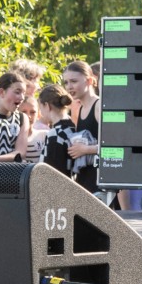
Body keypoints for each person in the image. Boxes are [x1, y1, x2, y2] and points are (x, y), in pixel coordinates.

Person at [63, 60, 100, 193]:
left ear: (89, 81)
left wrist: (86, 149)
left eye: (74, 81)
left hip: (99, 179)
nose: (69, 87)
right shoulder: (79, 108)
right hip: (84, 178)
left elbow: (116, 146)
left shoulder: (99, 106)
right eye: (66, 82)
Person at [38, 84, 80, 177]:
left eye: (40, 107)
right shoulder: (74, 126)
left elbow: (52, 174)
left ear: (47, 106)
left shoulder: (55, 134)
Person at [20, 94, 49, 162]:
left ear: (38, 114)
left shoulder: (44, 135)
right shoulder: (11, 137)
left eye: (32, 112)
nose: (28, 116)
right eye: (24, 112)